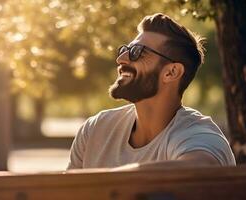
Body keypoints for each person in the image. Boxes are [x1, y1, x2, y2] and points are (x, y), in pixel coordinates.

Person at [67, 13, 236, 170]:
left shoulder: (197, 135)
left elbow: (203, 167)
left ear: (171, 72)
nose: (121, 59)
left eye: (137, 52)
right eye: (125, 50)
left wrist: (113, 180)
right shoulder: (96, 129)